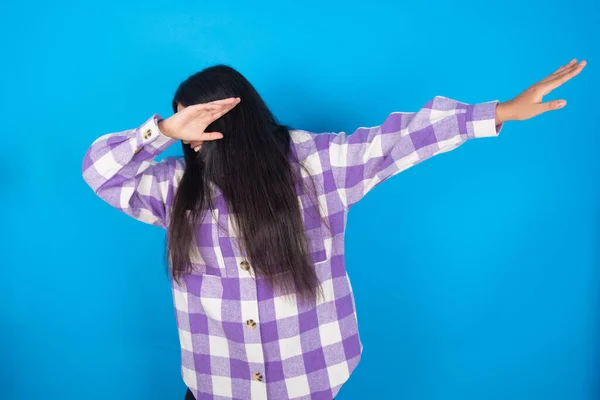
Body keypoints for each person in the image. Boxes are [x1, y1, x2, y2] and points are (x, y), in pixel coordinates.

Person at [81, 60, 586, 400]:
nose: (192, 136)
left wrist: (500, 112)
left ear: (238, 119)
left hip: (309, 377)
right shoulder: (175, 191)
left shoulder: (315, 166)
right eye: (183, 123)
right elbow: (99, 172)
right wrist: (160, 133)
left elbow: (400, 139)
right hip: (215, 383)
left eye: (201, 121)